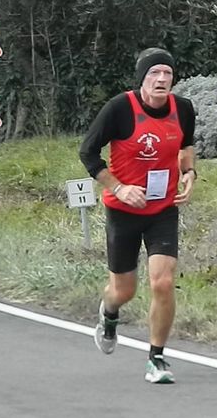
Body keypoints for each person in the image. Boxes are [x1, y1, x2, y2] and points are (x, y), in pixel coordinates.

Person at [79, 47, 196, 383]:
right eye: (154, 74)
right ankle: (109, 312)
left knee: (163, 281)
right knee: (123, 290)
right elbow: (88, 152)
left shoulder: (183, 109)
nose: (161, 80)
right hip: (124, 210)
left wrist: (189, 174)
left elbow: (187, 144)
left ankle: (156, 359)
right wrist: (119, 188)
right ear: (142, 79)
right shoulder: (119, 109)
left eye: (167, 74)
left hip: (162, 210)